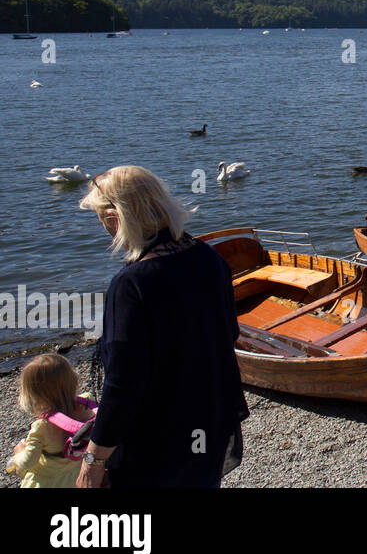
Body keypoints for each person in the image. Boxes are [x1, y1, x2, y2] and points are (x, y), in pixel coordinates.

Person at [77, 166, 247, 488]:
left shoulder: (131, 284)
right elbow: (228, 335)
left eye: (100, 215)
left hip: (157, 444)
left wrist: (93, 461)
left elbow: (122, 385)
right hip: (207, 422)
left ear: (116, 217)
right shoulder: (210, 259)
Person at [6, 354, 96, 488]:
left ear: (34, 395)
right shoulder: (88, 404)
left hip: (48, 482)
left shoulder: (42, 426)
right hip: (76, 477)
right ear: (73, 379)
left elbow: (28, 462)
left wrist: (17, 456)